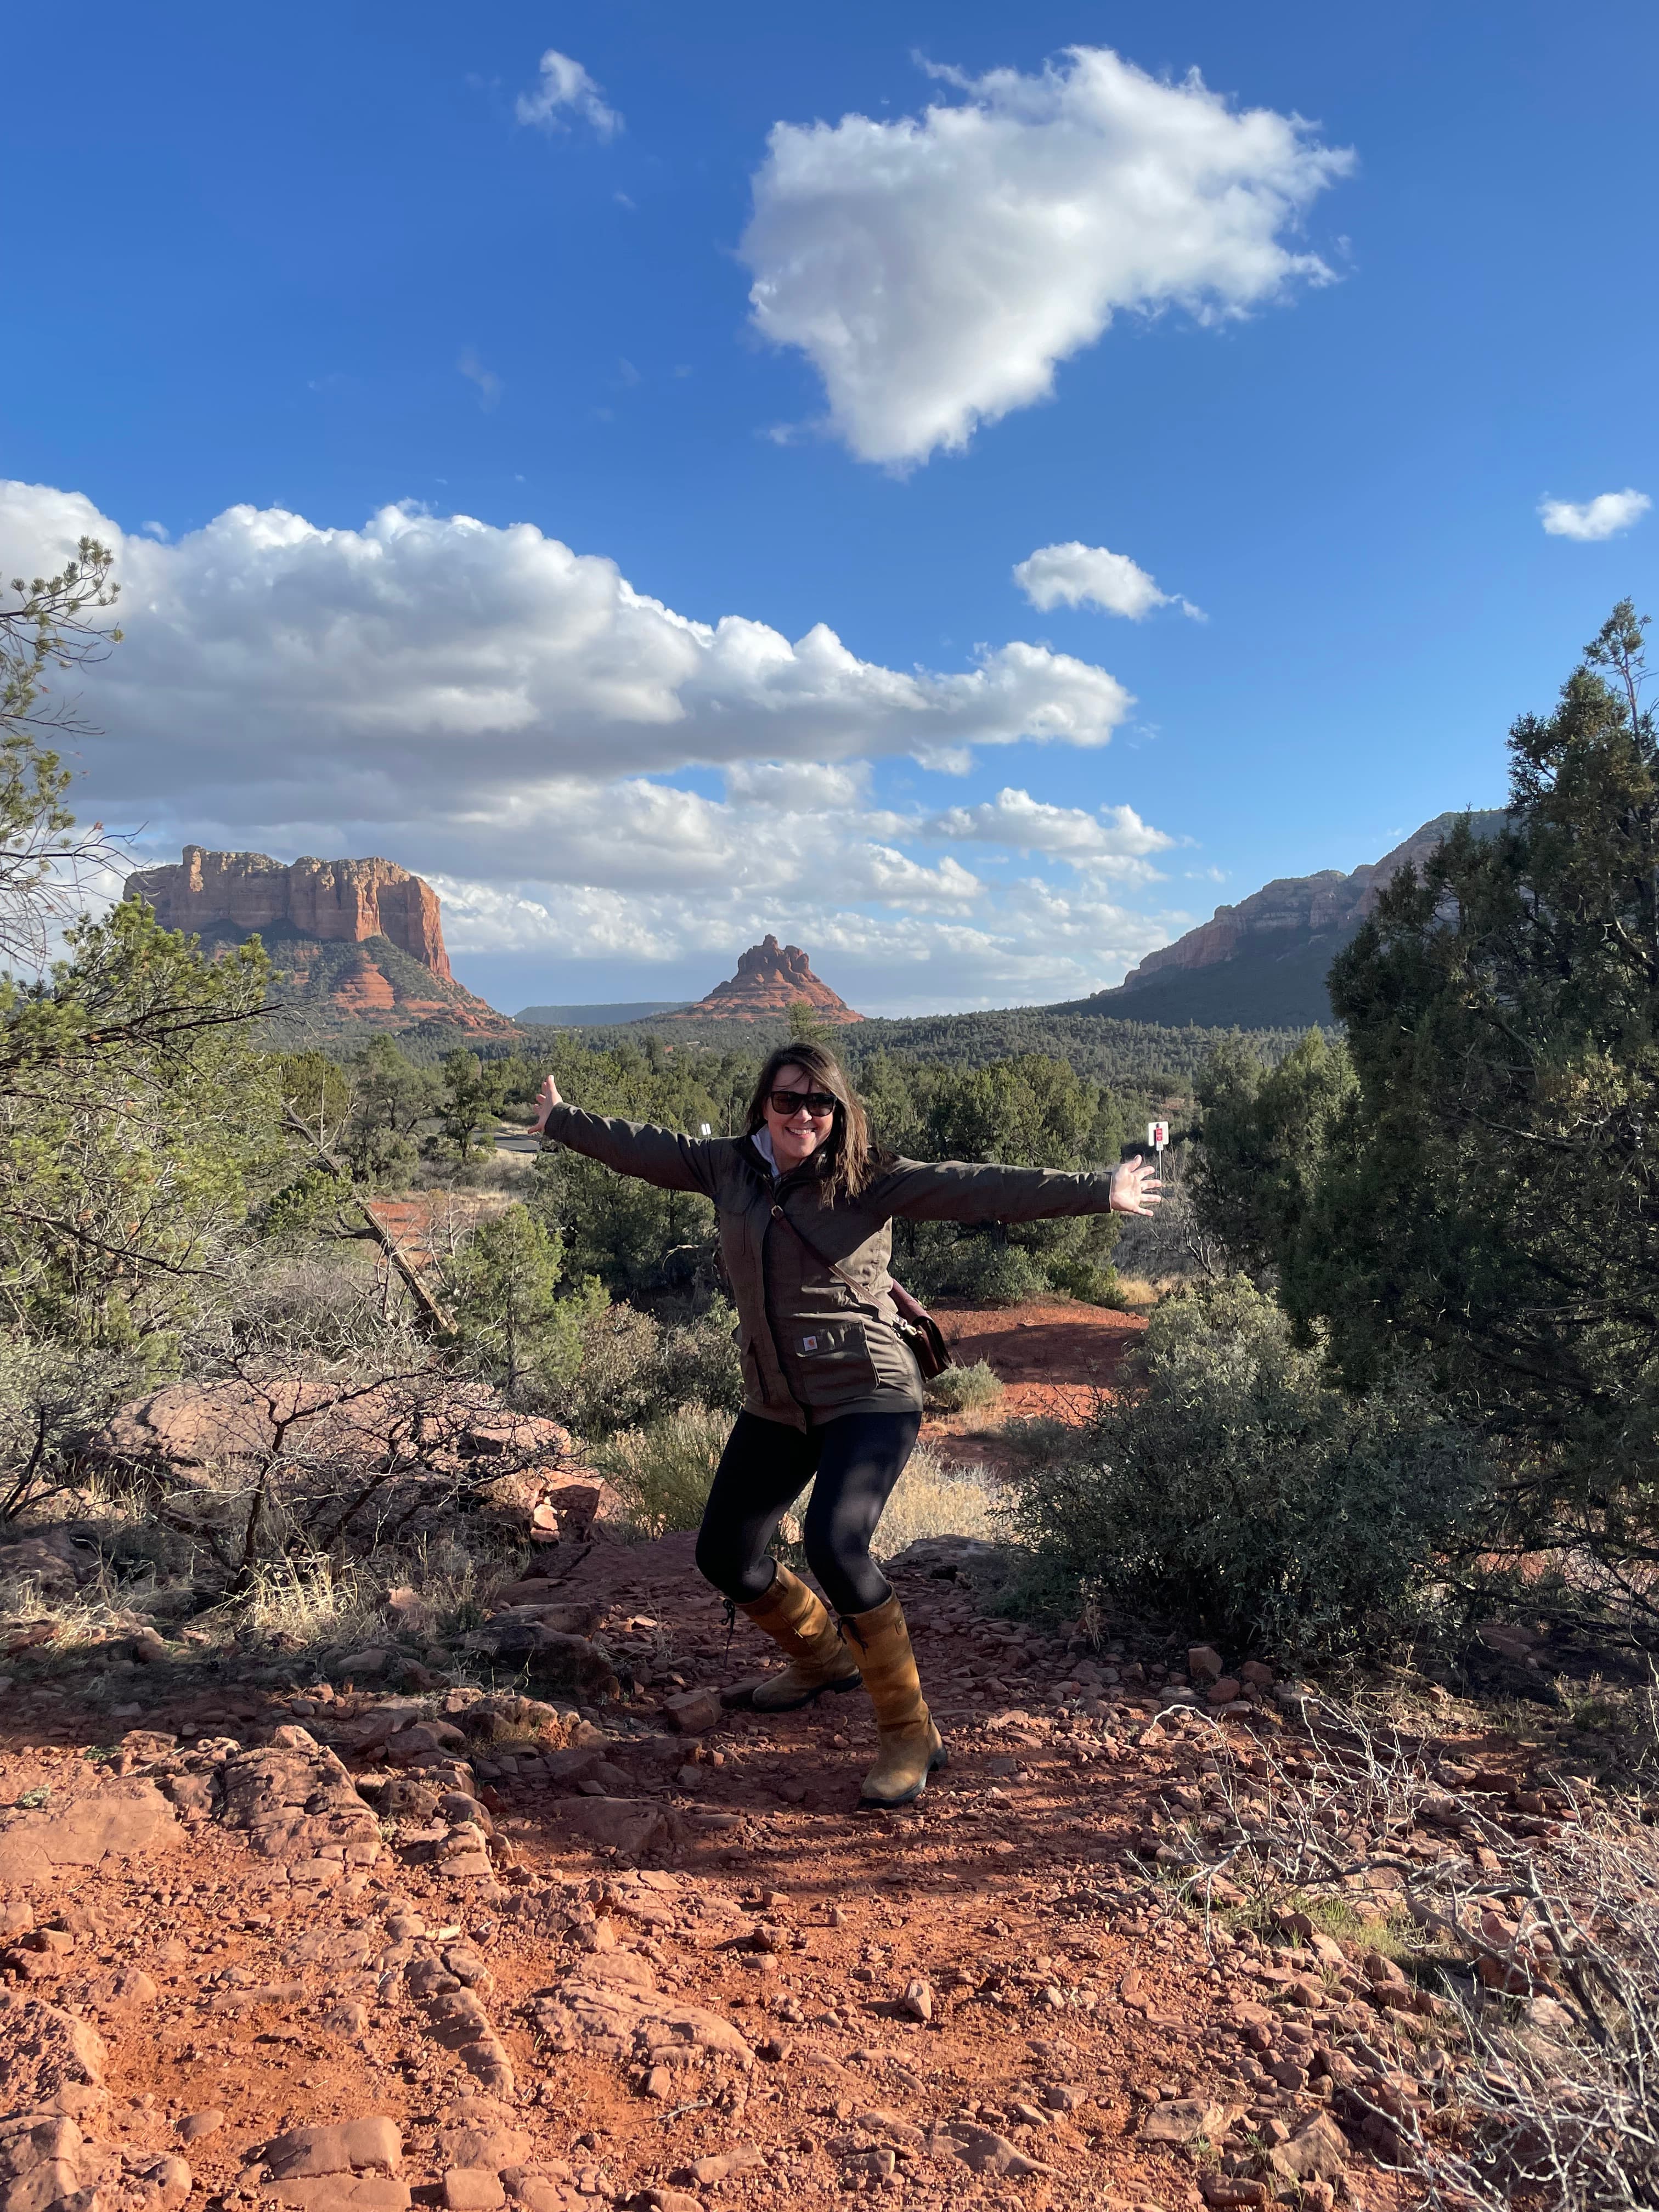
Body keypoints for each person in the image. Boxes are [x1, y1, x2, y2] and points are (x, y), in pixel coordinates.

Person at [532, 1042, 1160, 1810]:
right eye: (788, 1101)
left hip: (870, 1389)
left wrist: (1099, 1190)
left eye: (819, 1104)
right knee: (726, 1556)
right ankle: (822, 1658)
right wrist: (563, 1121)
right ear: (763, 1103)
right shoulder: (727, 1167)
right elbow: (646, 1149)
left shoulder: (868, 1178)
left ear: (839, 1111)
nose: (803, 1116)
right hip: (777, 1400)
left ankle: (909, 1731)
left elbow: (977, 1187)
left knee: (836, 1541)